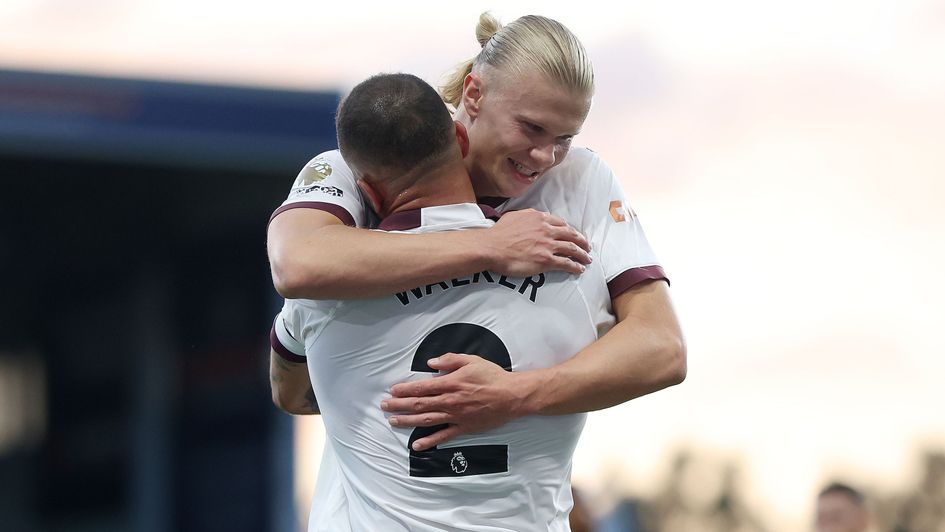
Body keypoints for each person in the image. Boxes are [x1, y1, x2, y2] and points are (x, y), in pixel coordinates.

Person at [267, 12, 685, 452]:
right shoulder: (370, 161)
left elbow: (663, 347)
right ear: (474, 93)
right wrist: (491, 245)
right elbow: (298, 265)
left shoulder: (582, 179)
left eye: (565, 137)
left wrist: (516, 395)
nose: (545, 156)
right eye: (532, 127)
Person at [272, 72, 613, 530]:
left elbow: (289, 391)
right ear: (459, 138)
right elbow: (648, 356)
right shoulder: (569, 272)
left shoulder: (323, 295)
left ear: (367, 192)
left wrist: (370, 398)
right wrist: (520, 393)